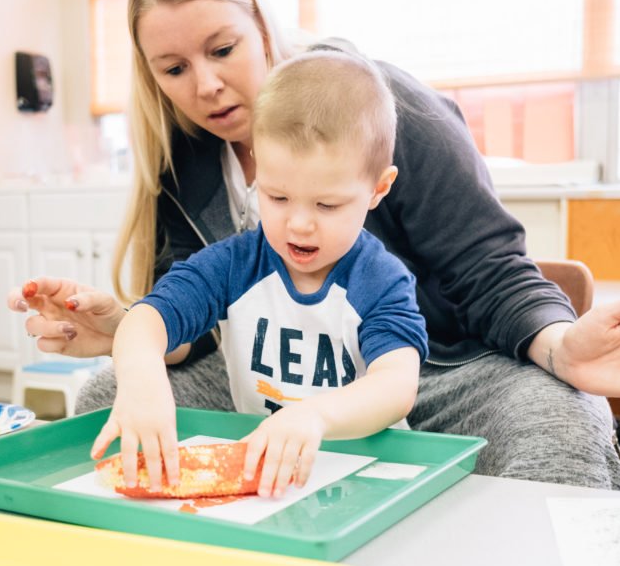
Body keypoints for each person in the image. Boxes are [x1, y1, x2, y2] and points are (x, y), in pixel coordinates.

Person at [8, 0, 620, 491]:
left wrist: (562, 346)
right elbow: (190, 306)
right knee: (107, 393)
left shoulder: (387, 109)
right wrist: (131, 330)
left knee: (561, 420)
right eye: (174, 69)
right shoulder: (187, 152)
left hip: (434, 369)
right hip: (269, 369)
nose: (207, 87)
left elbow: (490, 270)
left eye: (222, 49)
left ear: (261, 24)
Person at [90, 51, 428, 498]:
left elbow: (396, 384)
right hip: (267, 481)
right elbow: (147, 318)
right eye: (278, 197)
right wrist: (142, 379)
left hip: (368, 477)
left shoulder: (380, 279)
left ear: (377, 189)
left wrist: (315, 416)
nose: (299, 224)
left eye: (327, 205)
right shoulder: (235, 264)